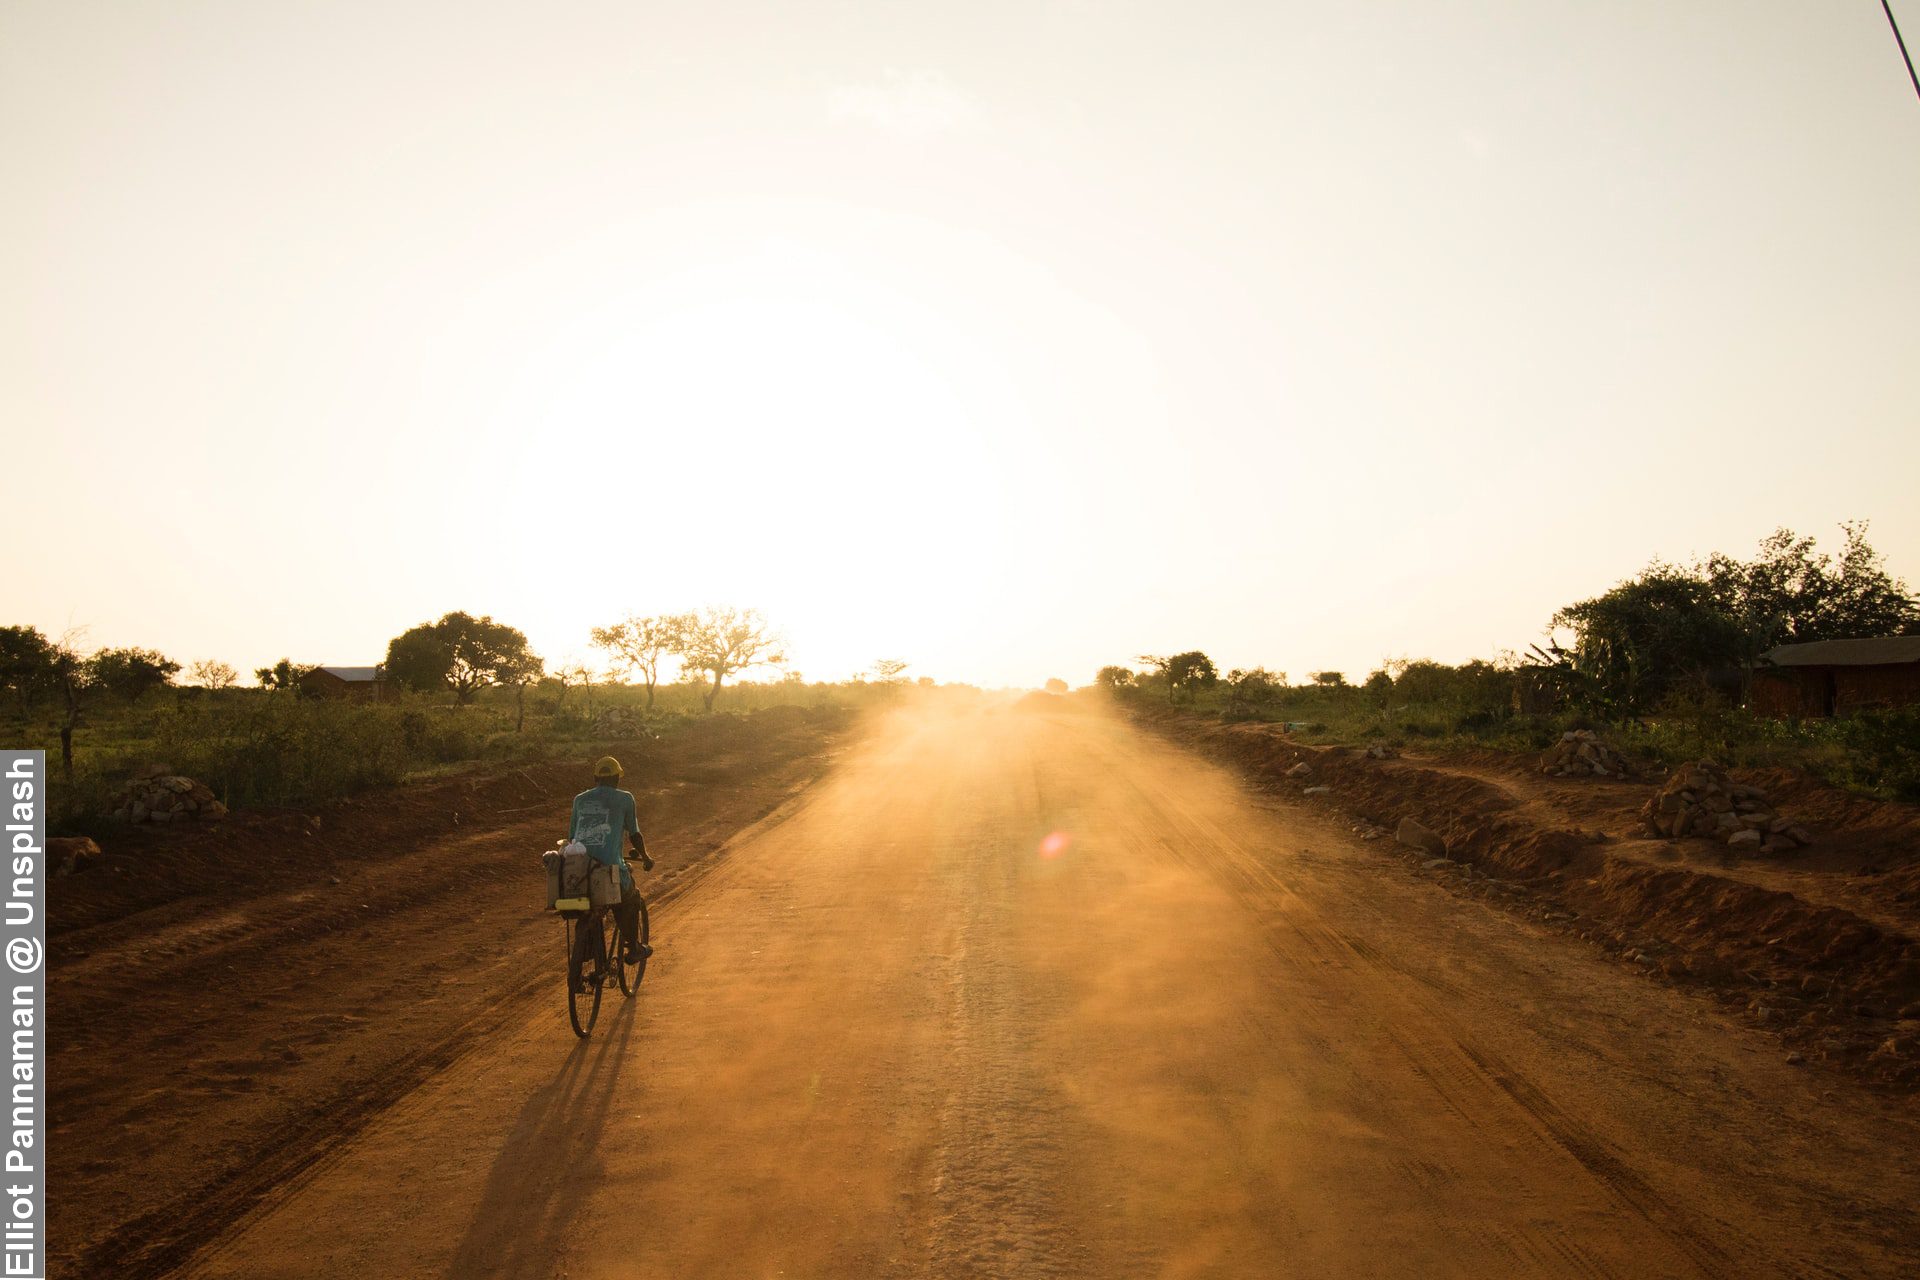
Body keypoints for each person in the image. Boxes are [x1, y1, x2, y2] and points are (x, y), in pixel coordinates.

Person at [566, 755, 653, 989]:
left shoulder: (579, 800)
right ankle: (634, 948)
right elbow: (634, 834)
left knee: (587, 908)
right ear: (616, 779)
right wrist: (645, 857)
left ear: (595, 779)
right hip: (608, 868)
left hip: (578, 868)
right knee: (630, 897)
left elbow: (572, 837)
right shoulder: (625, 799)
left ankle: (583, 958)